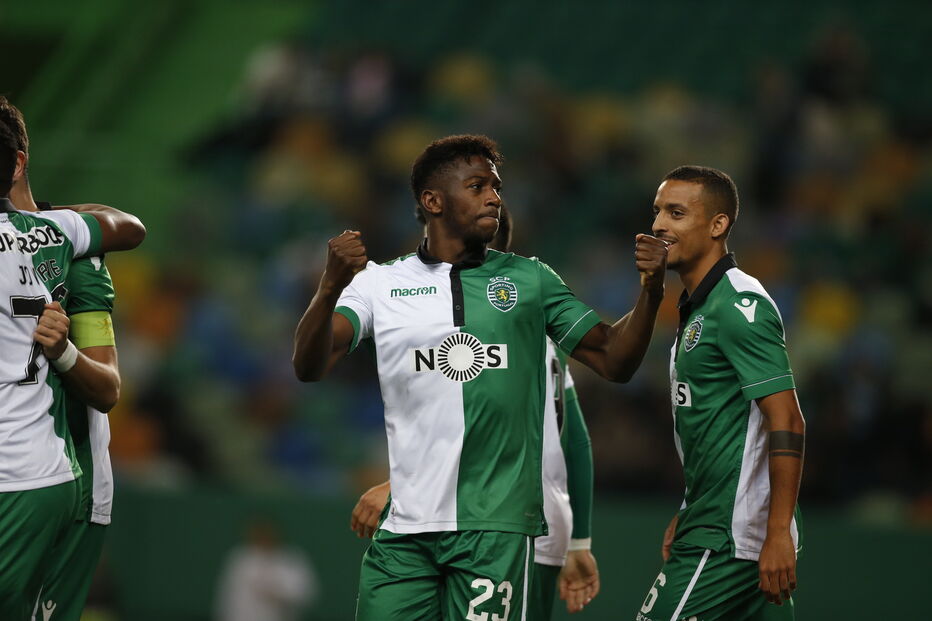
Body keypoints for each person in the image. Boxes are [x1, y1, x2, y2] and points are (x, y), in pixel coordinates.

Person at [293, 134, 667, 619]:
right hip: (405, 532)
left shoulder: (531, 280)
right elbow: (309, 365)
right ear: (433, 201)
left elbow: (615, 360)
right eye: (476, 186)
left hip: (495, 532)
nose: (494, 196)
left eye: (496, 186)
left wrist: (652, 292)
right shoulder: (379, 284)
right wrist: (328, 288)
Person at [348, 208, 600, 619]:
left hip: (498, 518)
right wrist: (579, 541)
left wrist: (398, 488)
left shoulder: (501, 331)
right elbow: (574, 439)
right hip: (536, 521)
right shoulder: (542, 334)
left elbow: (471, 429)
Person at [636, 166, 805, 621]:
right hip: (711, 522)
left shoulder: (737, 304)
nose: (658, 225)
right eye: (657, 212)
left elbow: (787, 419)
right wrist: (689, 507)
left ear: (718, 225)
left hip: (732, 537)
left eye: (676, 213)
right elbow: (723, 428)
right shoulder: (699, 307)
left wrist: (775, 534)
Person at [0, 115, 144, 619]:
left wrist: (62, 351)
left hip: (67, 479)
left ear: (16, 163)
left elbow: (107, 387)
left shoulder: (77, 259)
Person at [214, 518, 318, 621]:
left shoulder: (292, 559)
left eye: (265, 532)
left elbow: (307, 593)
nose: (262, 537)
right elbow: (226, 598)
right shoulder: (239, 559)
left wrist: (279, 593)